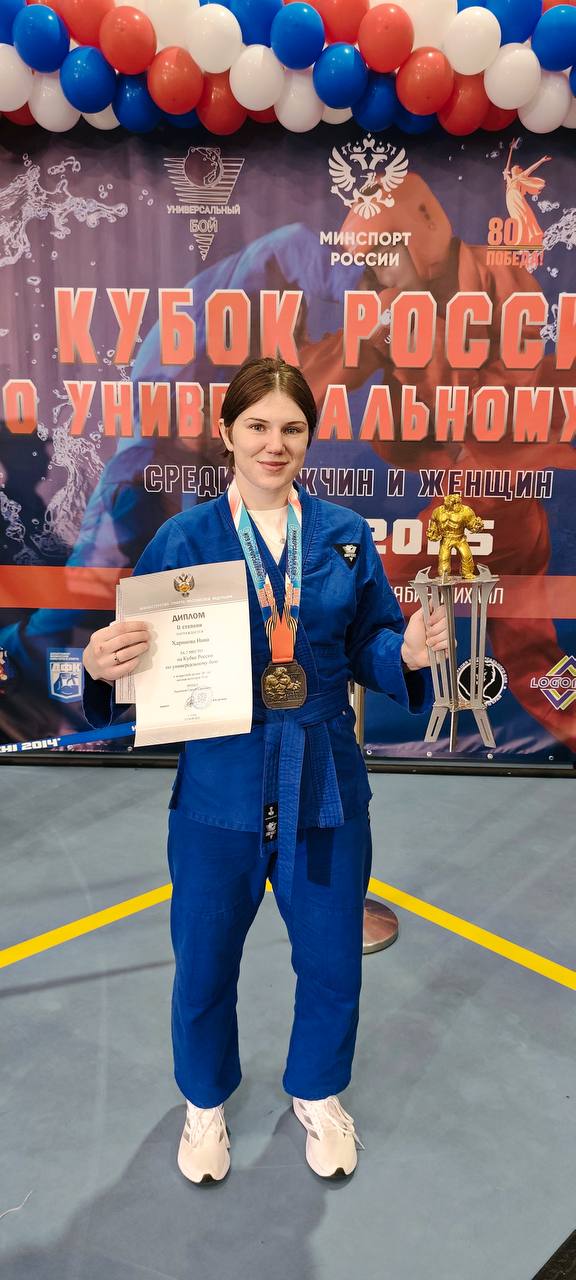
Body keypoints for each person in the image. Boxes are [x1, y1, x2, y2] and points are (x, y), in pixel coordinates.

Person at [82, 356, 448, 1185]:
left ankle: (318, 1093)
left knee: (332, 958)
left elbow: (370, 640)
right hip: (221, 785)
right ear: (227, 433)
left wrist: (406, 651)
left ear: (309, 437)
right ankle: (205, 1102)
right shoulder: (185, 540)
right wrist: (107, 664)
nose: (274, 444)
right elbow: (140, 662)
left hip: (324, 779)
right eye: (257, 426)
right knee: (204, 958)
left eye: (291, 428)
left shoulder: (345, 535)